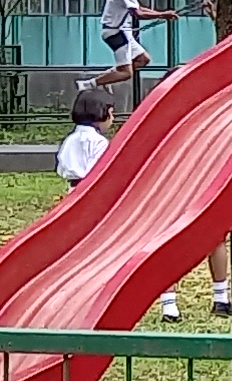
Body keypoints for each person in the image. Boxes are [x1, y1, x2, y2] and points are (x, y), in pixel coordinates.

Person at [57, 89, 183, 321]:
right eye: (111, 113)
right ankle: (168, 303)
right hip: (96, 200)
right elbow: (103, 173)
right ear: (101, 113)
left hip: (73, 196)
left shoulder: (70, 140)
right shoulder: (99, 143)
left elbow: (62, 168)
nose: (113, 119)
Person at [91, 0, 182, 91]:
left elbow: (140, 8)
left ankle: (109, 77)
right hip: (115, 33)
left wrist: (162, 14)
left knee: (143, 59)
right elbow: (139, 14)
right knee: (126, 74)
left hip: (122, 32)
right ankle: (89, 83)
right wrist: (162, 14)